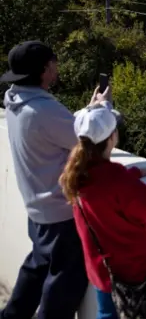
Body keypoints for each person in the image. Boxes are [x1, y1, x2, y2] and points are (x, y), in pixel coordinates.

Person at [58, 102, 146, 319]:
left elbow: (107, 191)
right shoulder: (117, 180)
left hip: (100, 270)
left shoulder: (79, 172)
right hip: (130, 273)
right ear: (112, 137)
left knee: (106, 313)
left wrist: (132, 174)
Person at [1, 40, 108, 319]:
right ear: (45, 69)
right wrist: (99, 112)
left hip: (37, 207)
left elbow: (58, 129)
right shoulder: (42, 111)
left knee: (37, 267)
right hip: (60, 212)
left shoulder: (16, 99)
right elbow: (88, 141)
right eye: (54, 62)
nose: (57, 67)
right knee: (64, 284)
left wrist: (87, 109)